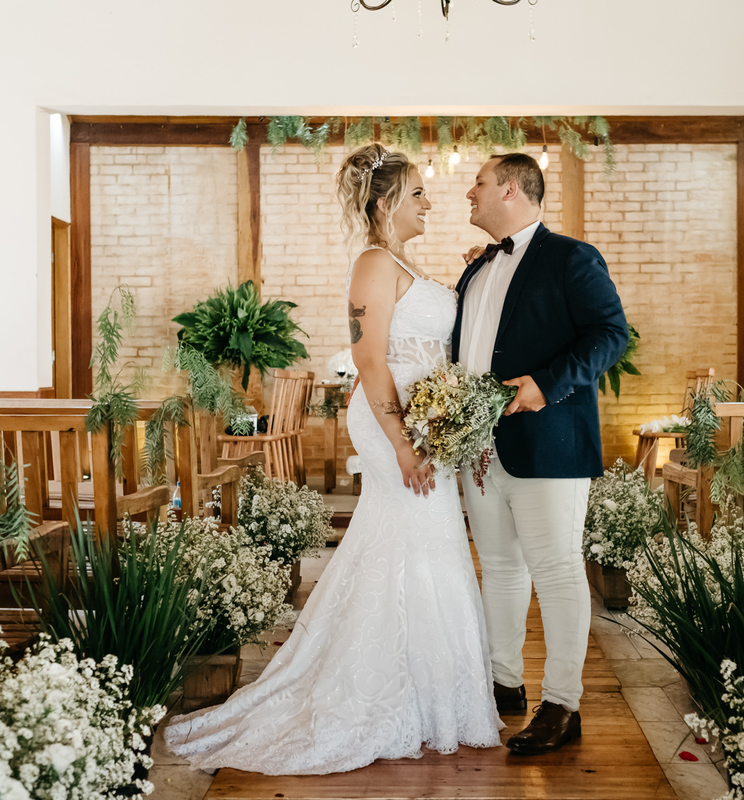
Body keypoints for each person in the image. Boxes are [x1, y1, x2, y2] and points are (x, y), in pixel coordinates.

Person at [164, 144, 502, 775]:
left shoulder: (402, 260)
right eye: (418, 193)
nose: (430, 202)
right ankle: (382, 690)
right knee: (413, 537)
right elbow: (373, 361)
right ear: (385, 202)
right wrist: (404, 443)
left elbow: (427, 340)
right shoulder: (372, 264)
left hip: (426, 417)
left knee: (424, 542)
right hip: (393, 421)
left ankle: (428, 692)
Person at [454, 153, 628, 755]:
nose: (467, 194)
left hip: (549, 441)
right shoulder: (476, 271)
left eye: (477, 184)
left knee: (555, 570)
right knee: (499, 568)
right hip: (479, 449)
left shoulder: (570, 257)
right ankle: (503, 685)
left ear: (509, 188)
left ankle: (563, 704)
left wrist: (544, 385)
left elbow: (610, 333)